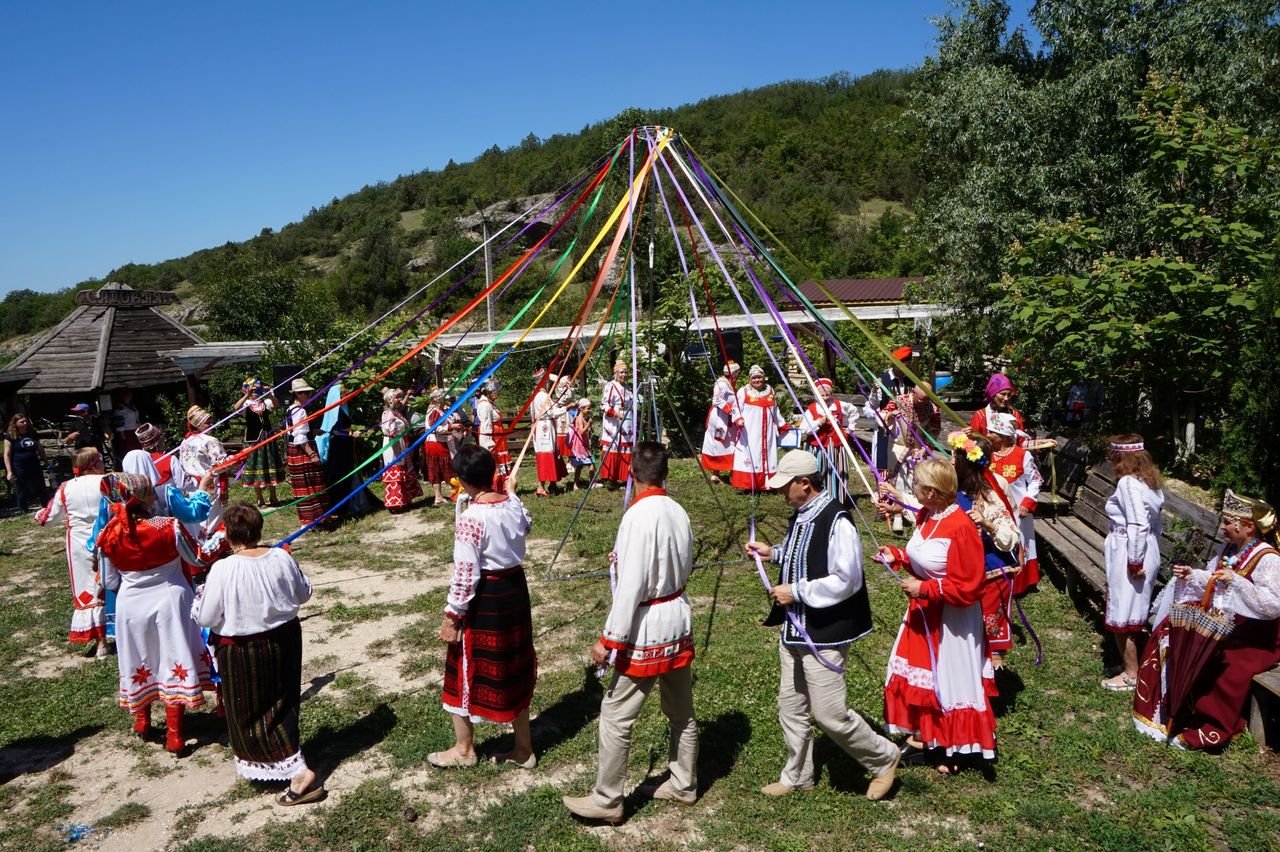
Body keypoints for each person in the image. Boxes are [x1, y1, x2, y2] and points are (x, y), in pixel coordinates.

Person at [743, 450, 900, 799]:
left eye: (786, 486)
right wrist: (775, 554)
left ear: (805, 483)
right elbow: (807, 553)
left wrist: (796, 591)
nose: (781, 493)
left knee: (829, 714)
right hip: (797, 629)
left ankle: (884, 758)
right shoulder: (804, 513)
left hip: (824, 630)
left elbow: (847, 579)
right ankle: (798, 775)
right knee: (791, 705)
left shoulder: (836, 519)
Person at [563, 442, 699, 823]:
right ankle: (684, 783)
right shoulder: (678, 511)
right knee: (681, 712)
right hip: (677, 616)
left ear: (630, 474)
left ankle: (607, 800)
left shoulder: (637, 517)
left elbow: (633, 585)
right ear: (666, 475)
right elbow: (681, 561)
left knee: (616, 714)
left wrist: (609, 639)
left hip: (646, 627)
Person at [192, 502, 325, 804]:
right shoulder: (280, 557)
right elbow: (304, 593)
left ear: (227, 535)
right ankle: (284, 759)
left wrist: (199, 599)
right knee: (283, 700)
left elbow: (206, 617)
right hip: (285, 639)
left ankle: (297, 770)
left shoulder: (223, 569)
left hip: (243, 648)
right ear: (258, 529)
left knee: (248, 710)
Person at [1133, 491, 1280, 751]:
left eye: (1227, 522)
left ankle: (1212, 728)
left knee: (1226, 662)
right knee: (1171, 631)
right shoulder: (1230, 549)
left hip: (1260, 636)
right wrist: (1193, 575)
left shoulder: (1268, 558)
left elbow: (1273, 604)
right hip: (1230, 624)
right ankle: (1171, 708)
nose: (1221, 527)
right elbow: (1213, 578)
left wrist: (1237, 583)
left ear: (1248, 526)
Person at [878, 458, 997, 774]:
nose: (912, 487)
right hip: (925, 613)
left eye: (916, 483)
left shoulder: (961, 528)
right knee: (925, 677)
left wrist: (925, 589)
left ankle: (952, 749)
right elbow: (924, 558)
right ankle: (927, 739)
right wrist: (898, 555)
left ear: (931, 491)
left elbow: (969, 588)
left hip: (952, 622)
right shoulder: (927, 515)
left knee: (948, 681)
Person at [96, 473, 217, 754]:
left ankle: (142, 721)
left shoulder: (109, 534)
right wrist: (220, 542)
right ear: (144, 498)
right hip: (170, 600)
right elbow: (198, 558)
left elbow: (107, 581)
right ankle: (175, 735)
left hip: (130, 603)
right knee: (172, 656)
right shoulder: (167, 526)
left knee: (141, 656)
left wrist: (133, 581)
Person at [432, 445, 536, 769]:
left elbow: (465, 575)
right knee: (514, 663)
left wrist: (453, 615)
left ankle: (464, 750)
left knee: (463, 665)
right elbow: (525, 526)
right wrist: (512, 494)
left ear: (462, 481)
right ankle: (523, 748)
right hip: (515, 591)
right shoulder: (513, 505)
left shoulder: (471, 519)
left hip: (487, 598)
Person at [1100, 435, 1164, 691]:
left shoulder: (1127, 482)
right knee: (1132, 610)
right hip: (1145, 548)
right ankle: (1132, 666)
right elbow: (1154, 523)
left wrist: (1135, 560)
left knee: (1122, 612)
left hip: (1130, 550)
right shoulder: (1149, 481)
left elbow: (1138, 523)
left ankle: (1131, 674)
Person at [35, 447, 108, 654]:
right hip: (107, 536)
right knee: (110, 584)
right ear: (94, 464)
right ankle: (113, 633)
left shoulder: (66, 488)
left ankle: (99, 640)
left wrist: (39, 514)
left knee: (88, 588)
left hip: (78, 543)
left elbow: (48, 518)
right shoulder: (108, 481)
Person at [987, 412, 1042, 595]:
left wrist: (1028, 502)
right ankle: (997, 578)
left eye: (991, 432)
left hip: (1018, 511)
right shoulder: (987, 455)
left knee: (1019, 542)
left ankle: (1020, 583)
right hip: (994, 511)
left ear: (1003, 436)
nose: (987, 435)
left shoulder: (1022, 455)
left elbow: (1036, 480)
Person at [316, 382, 380, 518]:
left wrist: (351, 433)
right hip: (338, 448)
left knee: (351, 474)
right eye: (342, 393)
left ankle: (355, 504)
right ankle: (342, 507)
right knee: (340, 476)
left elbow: (344, 429)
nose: (345, 395)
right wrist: (350, 433)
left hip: (346, 446)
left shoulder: (343, 409)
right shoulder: (334, 412)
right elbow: (334, 431)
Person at [731, 365, 786, 491]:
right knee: (752, 454)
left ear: (764, 378)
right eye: (754, 378)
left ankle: (767, 484)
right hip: (751, 432)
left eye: (759, 377)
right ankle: (750, 484)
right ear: (750, 379)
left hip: (768, 432)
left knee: (768, 455)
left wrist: (782, 424)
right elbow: (735, 408)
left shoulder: (770, 391)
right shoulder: (743, 391)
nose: (757, 380)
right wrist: (738, 419)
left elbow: (775, 410)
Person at [284, 379, 330, 526]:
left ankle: (308, 519)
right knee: (310, 484)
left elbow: (294, 431)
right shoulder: (300, 411)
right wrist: (312, 454)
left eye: (309, 392)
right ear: (297, 394)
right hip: (302, 451)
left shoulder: (290, 409)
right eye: (305, 393)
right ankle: (315, 519)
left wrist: (314, 430)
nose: (309, 395)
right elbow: (299, 436)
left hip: (294, 450)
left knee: (303, 486)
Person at [801, 377, 854, 502]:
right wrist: (819, 422)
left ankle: (838, 500)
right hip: (818, 446)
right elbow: (804, 429)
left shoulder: (839, 405)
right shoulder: (812, 409)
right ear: (816, 395)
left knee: (839, 472)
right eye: (822, 395)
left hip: (837, 446)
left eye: (827, 394)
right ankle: (819, 500)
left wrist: (849, 428)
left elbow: (853, 412)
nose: (825, 397)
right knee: (820, 472)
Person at [233, 378, 282, 508]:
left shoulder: (265, 401)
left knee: (269, 464)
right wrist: (246, 396)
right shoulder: (246, 404)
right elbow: (236, 409)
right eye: (252, 390)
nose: (255, 393)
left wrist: (270, 394)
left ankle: (273, 495)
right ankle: (260, 498)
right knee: (255, 466)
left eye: (257, 390)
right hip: (253, 440)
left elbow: (276, 405)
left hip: (267, 438)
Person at [865, 346, 913, 474]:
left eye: (908, 367)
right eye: (903, 366)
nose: (905, 370)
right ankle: (883, 490)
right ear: (896, 364)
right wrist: (874, 391)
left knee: (905, 462)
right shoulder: (883, 380)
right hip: (886, 426)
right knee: (884, 461)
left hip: (906, 428)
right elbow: (873, 406)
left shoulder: (911, 381)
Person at [380, 387, 422, 513]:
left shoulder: (395, 413)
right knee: (395, 472)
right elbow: (387, 430)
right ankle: (395, 504)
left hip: (401, 443)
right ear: (390, 400)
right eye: (397, 398)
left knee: (402, 470)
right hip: (392, 446)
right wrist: (392, 428)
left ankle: (404, 500)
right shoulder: (387, 414)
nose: (399, 400)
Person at [700, 361, 741, 477]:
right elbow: (716, 399)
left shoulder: (730, 383)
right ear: (734, 373)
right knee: (718, 443)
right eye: (737, 373)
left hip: (728, 417)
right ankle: (715, 472)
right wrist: (731, 410)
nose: (738, 375)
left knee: (730, 443)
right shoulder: (721, 384)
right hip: (719, 418)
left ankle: (731, 471)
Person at [532, 372, 568, 497]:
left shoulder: (536, 395)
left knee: (551, 453)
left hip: (541, 427)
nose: (549, 384)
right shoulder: (543, 395)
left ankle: (552, 484)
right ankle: (541, 487)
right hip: (545, 428)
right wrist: (566, 408)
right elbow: (551, 412)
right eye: (547, 382)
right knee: (546, 454)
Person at [600, 361, 635, 488]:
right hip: (614, 422)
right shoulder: (611, 386)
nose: (624, 375)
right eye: (621, 372)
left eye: (626, 372)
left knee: (626, 448)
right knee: (614, 448)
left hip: (627, 422)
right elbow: (603, 405)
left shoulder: (628, 387)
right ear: (616, 373)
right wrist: (615, 413)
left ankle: (626, 478)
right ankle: (612, 479)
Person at [5, 412, 47, 512]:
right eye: (21, 422)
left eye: (25, 421)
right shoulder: (11, 436)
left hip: (34, 464)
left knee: (40, 485)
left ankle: (46, 505)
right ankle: (23, 510)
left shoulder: (32, 433)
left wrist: (45, 461)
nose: (24, 423)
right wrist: (9, 471)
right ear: (15, 424)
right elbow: (7, 454)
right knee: (21, 488)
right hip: (19, 466)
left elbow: (40, 449)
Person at [475, 382, 511, 493]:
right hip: (493, 437)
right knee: (494, 462)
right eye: (494, 392)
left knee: (499, 462)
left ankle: (502, 487)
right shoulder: (485, 405)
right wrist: (489, 443)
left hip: (498, 436)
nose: (497, 394)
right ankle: (495, 487)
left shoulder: (489, 403)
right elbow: (486, 425)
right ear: (488, 392)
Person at [969, 373, 1026, 442]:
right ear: (993, 394)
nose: (1006, 398)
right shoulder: (980, 416)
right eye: (1003, 394)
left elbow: (1021, 442)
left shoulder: (1015, 415)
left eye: (1009, 395)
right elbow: (972, 442)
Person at [422, 390, 455, 506]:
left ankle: (440, 496)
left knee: (439, 469)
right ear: (436, 399)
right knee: (444, 468)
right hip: (435, 443)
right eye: (442, 397)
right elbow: (435, 429)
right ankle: (451, 494)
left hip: (439, 442)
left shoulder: (439, 410)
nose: (445, 398)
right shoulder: (434, 411)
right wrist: (451, 427)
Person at [568, 398, 597, 490]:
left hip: (582, 444)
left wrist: (590, 428)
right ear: (581, 408)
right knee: (592, 463)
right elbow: (581, 431)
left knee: (580, 466)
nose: (589, 410)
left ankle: (576, 484)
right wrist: (588, 424)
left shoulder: (581, 418)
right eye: (588, 408)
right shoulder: (579, 419)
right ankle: (592, 483)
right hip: (581, 445)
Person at [112, 389, 143, 456]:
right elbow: (118, 420)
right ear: (124, 396)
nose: (131, 396)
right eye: (129, 395)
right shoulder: (120, 407)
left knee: (137, 448)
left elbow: (136, 417)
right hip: (127, 432)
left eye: (131, 394)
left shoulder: (132, 405)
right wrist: (122, 432)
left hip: (135, 430)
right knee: (129, 449)